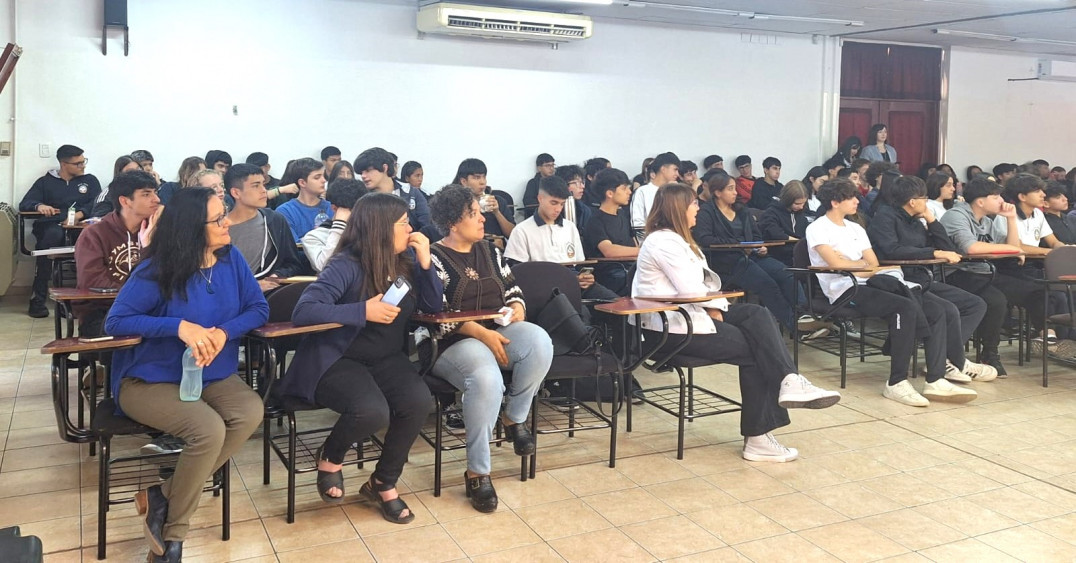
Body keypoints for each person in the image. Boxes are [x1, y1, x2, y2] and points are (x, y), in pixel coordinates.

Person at [105, 187, 267, 562]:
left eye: (224, 214)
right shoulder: (158, 268)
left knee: (249, 412)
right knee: (207, 430)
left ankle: (164, 493)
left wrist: (224, 332)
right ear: (192, 228)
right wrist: (179, 326)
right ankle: (172, 536)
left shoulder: (231, 260)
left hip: (211, 372)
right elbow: (117, 320)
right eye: (217, 219)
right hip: (150, 378)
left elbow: (258, 308)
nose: (227, 223)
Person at [634, 183, 841, 462]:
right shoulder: (664, 241)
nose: (698, 208)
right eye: (694, 204)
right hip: (672, 328)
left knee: (756, 314)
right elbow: (691, 290)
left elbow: (703, 287)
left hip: (692, 315)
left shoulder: (678, 239)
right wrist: (714, 307)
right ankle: (760, 435)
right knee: (758, 350)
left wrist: (715, 306)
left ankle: (790, 381)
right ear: (678, 209)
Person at [281, 193, 441, 522]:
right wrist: (362, 310)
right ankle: (331, 454)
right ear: (380, 228)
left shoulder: (405, 262)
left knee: (418, 403)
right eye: (402, 224)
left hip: (386, 357)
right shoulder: (346, 264)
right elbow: (304, 311)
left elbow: (434, 307)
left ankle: (383, 482)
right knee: (371, 411)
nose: (410, 228)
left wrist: (425, 261)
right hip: (339, 357)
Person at [427, 184, 553, 513]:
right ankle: (478, 471)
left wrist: (518, 309)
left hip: (498, 332)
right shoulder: (432, 259)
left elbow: (513, 289)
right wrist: (483, 335)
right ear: (453, 223)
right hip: (452, 342)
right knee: (486, 379)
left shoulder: (491, 251)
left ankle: (514, 419)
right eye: (473, 214)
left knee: (539, 340)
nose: (482, 218)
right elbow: (436, 315)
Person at [807, 178, 977, 405]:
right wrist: (857, 264)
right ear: (836, 202)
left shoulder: (856, 227)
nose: (858, 201)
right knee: (904, 307)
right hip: (845, 288)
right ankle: (896, 382)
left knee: (938, 309)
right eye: (851, 198)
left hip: (875, 281)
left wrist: (856, 264)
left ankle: (935, 379)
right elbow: (835, 265)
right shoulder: (817, 228)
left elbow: (872, 261)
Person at [866, 174, 996, 382]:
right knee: (947, 310)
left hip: (923, 279)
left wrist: (932, 220)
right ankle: (953, 361)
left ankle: (950, 359)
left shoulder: (917, 221)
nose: (927, 202)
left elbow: (948, 249)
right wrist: (932, 253)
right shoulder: (885, 217)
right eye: (925, 198)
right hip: (900, 282)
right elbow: (891, 250)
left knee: (975, 304)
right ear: (912, 201)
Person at [940, 176, 1046, 373]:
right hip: (957, 273)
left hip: (984, 272)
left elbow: (1014, 247)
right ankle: (989, 352)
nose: (1002, 201)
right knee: (997, 300)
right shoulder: (956, 216)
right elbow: (971, 248)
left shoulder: (987, 221)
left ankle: (1047, 338)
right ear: (981, 201)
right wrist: (1012, 250)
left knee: (1035, 290)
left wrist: (1011, 218)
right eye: (996, 197)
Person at [692, 169, 801, 332]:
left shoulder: (742, 210)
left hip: (753, 256)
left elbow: (756, 235)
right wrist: (740, 244)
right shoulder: (707, 212)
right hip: (727, 260)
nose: (735, 192)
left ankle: (804, 314)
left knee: (786, 273)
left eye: (735, 188)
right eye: (730, 189)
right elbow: (705, 239)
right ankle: (795, 325)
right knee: (767, 284)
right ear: (717, 192)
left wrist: (759, 247)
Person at [504, 175, 618, 302]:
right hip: (545, 289)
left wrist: (584, 278)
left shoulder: (569, 227)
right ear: (540, 198)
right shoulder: (522, 230)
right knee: (577, 313)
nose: (558, 209)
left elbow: (578, 264)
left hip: (574, 283)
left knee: (615, 302)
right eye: (553, 203)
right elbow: (519, 274)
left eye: (562, 204)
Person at [19, 144, 102, 318]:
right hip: (52, 226)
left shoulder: (90, 181)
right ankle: (38, 300)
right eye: (77, 163)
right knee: (51, 240)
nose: (83, 166)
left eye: (83, 161)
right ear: (63, 164)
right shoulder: (45, 182)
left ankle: (79, 301)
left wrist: (81, 214)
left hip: (79, 227)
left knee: (89, 243)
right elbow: (25, 203)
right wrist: (39, 206)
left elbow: (98, 204)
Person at [75, 170, 161, 335]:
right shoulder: (95, 234)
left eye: (155, 193)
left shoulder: (159, 231)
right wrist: (137, 294)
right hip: (104, 310)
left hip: (149, 307)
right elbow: (92, 281)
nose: (156, 199)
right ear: (125, 201)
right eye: (146, 194)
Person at [224, 163, 306, 292]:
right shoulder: (219, 228)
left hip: (268, 296)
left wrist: (276, 276)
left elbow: (292, 263)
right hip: (229, 298)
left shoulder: (275, 220)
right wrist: (252, 287)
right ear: (236, 192)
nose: (263, 190)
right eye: (255, 186)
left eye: (263, 184)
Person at [583, 168, 638, 295]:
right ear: (610, 193)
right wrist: (644, 250)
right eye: (624, 189)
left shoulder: (623, 215)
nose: (629, 192)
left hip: (630, 269)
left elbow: (633, 243)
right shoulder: (595, 220)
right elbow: (609, 251)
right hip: (612, 274)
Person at [356, 147, 430, 231]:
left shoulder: (411, 193)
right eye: (361, 172)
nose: (363, 176)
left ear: (384, 168)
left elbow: (426, 225)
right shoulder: (362, 199)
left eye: (367, 170)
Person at [302, 179, 368, 272]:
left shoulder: (370, 230)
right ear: (334, 208)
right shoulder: (313, 237)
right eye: (353, 210)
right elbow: (324, 267)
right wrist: (339, 226)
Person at [455, 158, 515, 238]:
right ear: (464, 182)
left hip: (498, 249)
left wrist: (497, 212)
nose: (482, 182)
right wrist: (486, 242)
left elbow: (514, 235)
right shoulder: (456, 204)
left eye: (484, 177)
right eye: (477, 177)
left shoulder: (497, 201)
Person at [276, 158, 331, 241]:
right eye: (317, 177)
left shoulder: (332, 207)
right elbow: (294, 245)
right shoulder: (285, 211)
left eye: (324, 176)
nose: (324, 180)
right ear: (302, 183)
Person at [757, 181, 809, 266]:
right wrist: (799, 242)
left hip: (798, 257)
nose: (801, 207)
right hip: (777, 256)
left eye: (803, 203)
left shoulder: (801, 216)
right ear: (787, 200)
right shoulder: (771, 213)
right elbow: (775, 234)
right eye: (797, 204)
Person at [630, 152, 680, 233]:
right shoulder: (642, 191)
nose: (677, 174)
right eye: (675, 169)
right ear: (663, 169)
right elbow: (637, 224)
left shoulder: (675, 191)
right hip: (650, 240)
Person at [554, 164, 592, 234]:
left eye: (582, 182)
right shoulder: (552, 209)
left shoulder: (585, 210)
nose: (582, 186)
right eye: (577, 183)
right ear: (563, 185)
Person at [522, 153, 556, 218]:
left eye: (553, 165)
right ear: (539, 168)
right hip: (539, 216)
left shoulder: (558, 182)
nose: (551, 168)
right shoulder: (533, 183)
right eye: (547, 166)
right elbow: (528, 202)